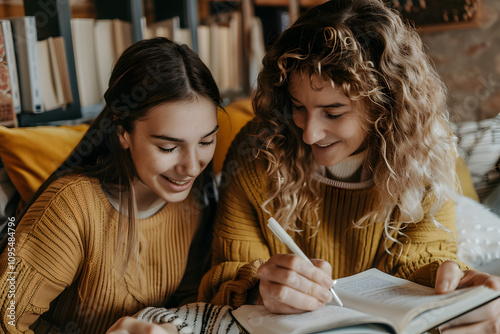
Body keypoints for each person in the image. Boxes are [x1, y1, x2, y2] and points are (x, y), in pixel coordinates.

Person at [199, 0, 500, 332]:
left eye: (333, 113)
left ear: (386, 105)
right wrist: (260, 289)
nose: (310, 133)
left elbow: (421, 260)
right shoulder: (258, 149)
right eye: (298, 106)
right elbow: (225, 272)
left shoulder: (424, 155)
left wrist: (452, 285)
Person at [0, 37, 222, 333]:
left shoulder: (194, 202)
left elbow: (189, 303)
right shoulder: (71, 208)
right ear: (123, 134)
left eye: (206, 141)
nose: (192, 167)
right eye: (169, 148)